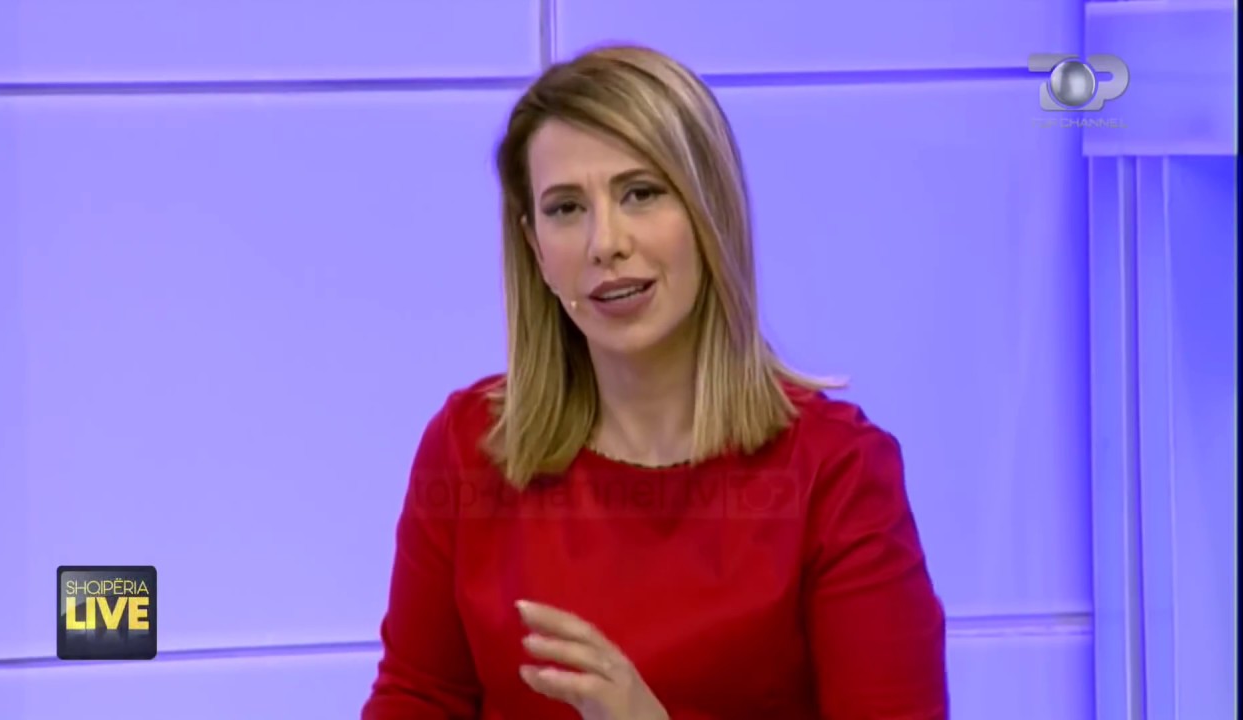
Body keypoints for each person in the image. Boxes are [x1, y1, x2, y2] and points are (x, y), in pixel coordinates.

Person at [361, 44, 948, 720]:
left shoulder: (838, 473)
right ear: (534, 248)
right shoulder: (468, 447)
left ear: (709, 211)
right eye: (566, 208)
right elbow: (417, 698)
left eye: (640, 193)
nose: (604, 242)